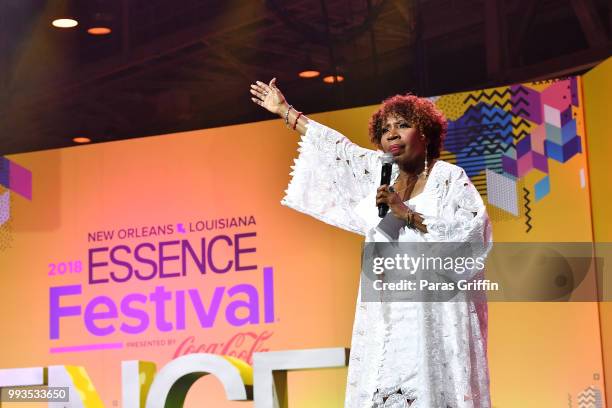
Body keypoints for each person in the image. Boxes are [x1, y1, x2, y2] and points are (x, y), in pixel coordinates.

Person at [250, 78, 493, 408]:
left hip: (433, 320)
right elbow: (338, 150)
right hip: (385, 318)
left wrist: (406, 214)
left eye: (403, 125)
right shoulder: (381, 174)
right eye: (385, 128)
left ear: (425, 133)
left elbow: (471, 239)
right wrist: (286, 111)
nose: (392, 134)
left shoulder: (448, 179)